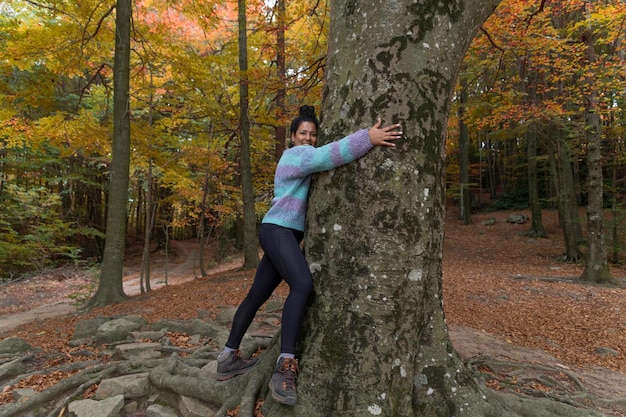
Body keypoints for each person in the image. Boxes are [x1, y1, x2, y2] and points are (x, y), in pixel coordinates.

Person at [216, 105, 402, 406]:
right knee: (302, 285)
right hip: (279, 231)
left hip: (282, 233)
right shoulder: (296, 155)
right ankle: (285, 363)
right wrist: (368, 136)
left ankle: (228, 357)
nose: (309, 138)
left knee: (256, 295)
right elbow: (328, 156)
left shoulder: (300, 157)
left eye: (313, 134)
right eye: (303, 133)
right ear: (292, 137)